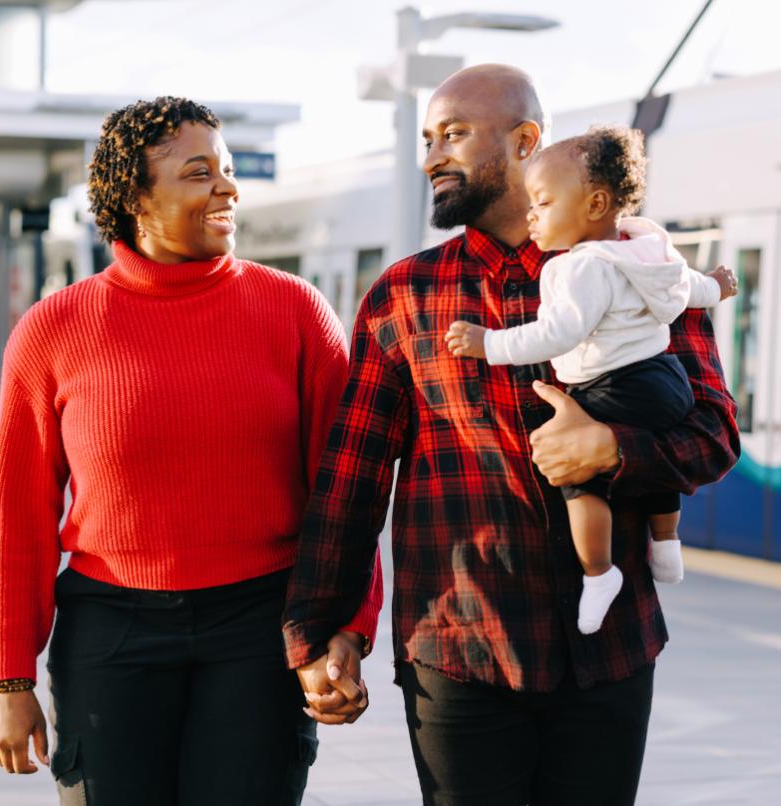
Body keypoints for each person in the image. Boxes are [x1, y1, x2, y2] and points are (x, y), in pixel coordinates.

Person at [283, 65, 739, 805]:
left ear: (526, 142)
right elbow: (352, 479)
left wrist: (618, 452)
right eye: (428, 139)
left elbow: (715, 432)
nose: (432, 155)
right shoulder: (404, 296)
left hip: (611, 656)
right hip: (460, 653)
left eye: (454, 135)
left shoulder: (640, 268)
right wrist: (322, 631)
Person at [0, 96, 380, 806]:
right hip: (110, 633)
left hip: (260, 628)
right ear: (136, 196)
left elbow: (345, 495)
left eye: (227, 170)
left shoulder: (294, 312)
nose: (227, 187)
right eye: (200, 173)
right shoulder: (53, 330)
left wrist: (345, 630)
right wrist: (9, 679)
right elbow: (19, 517)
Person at [445, 125, 738, 634]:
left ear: (596, 203)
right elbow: (687, 288)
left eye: (542, 202)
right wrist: (717, 285)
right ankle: (666, 544)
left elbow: (559, 333)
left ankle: (599, 573)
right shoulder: (644, 251)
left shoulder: (578, 268)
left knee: (578, 479)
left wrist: (489, 343)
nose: (532, 214)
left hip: (614, 387)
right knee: (650, 449)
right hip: (666, 380)